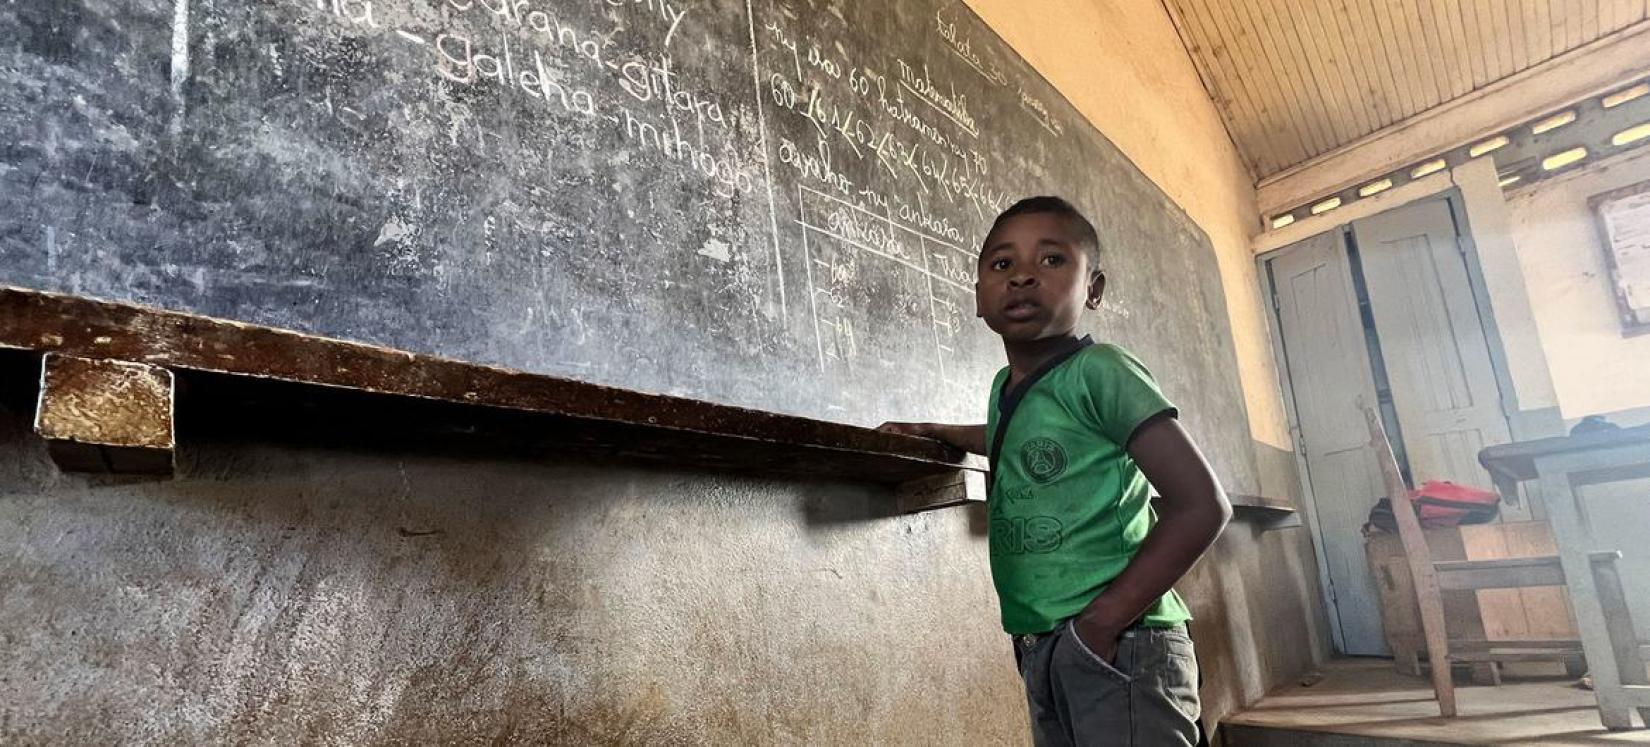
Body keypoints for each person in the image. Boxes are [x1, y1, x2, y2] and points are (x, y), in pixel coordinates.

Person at [879, 196, 1231, 746]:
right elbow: (1021, 435)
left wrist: (1102, 624)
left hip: (1122, 639)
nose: (1022, 276)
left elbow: (1203, 505)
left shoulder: (1101, 371)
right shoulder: (1006, 388)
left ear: (1093, 290)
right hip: (1043, 641)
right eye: (1001, 265)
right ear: (978, 296)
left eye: (1051, 261)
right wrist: (941, 432)